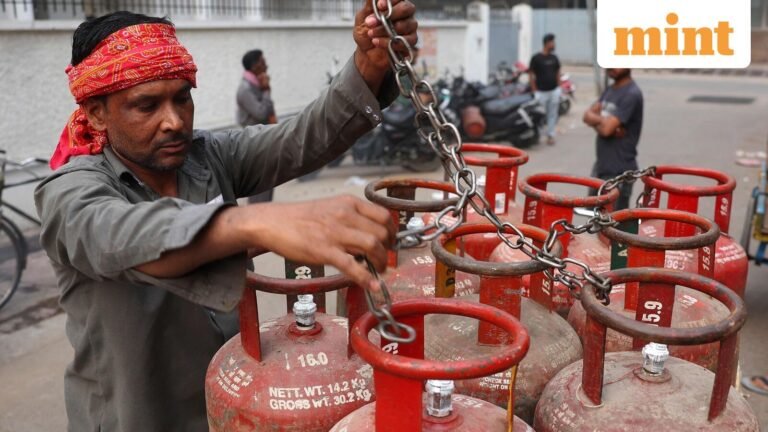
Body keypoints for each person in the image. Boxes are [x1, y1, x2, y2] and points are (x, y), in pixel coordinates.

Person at [34, 1, 418, 430]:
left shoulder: (206, 156)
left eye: (182, 99)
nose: (173, 121)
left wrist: (369, 65)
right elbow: (118, 235)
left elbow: (300, 138)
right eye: (146, 106)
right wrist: (255, 223)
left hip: (233, 406)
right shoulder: (69, 190)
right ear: (96, 113)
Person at [582, 68, 644, 210]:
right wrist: (604, 123)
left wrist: (599, 122)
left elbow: (606, 129)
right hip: (601, 167)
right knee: (594, 216)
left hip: (619, 171)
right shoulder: (610, 90)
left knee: (613, 220)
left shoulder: (631, 94)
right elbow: (586, 116)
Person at [237, 49, 277, 202]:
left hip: (264, 140)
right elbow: (261, 113)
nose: (266, 64)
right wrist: (266, 91)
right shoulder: (245, 89)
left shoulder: (256, 84)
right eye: (263, 61)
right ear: (255, 66)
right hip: (255, 145)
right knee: (260, 187)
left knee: (268, 184)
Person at [529, 33, 561, 145]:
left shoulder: (554, 58)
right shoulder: (536, 58)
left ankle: (550, 135)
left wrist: (559, 88)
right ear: (547, 43)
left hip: (553, 91)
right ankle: (537, 135)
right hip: (541, 92)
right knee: (539, 115)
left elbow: (558, 72)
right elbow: (531, 74)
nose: (554, 44)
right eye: (552, 42)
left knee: (552, 115)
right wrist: (534, 90)